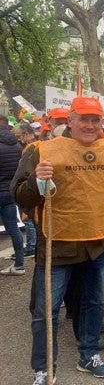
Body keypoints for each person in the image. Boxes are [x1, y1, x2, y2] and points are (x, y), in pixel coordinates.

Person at [12, 97, 104, 384]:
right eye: (84, 119)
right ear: (71, 120)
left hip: (98, 245)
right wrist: (37, 182)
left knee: (93, 302)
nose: (90, 125)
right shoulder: (41, 150)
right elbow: (19, 196)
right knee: (46, 311)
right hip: (58, 244)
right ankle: (43, 368)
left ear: (102, 122)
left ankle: (88, 354)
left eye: (95, 120)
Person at [0, 114, 25, 276]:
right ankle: (19, 264)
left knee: (12, 228)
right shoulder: (17, 144)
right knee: (13, 228)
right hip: (10, 191)